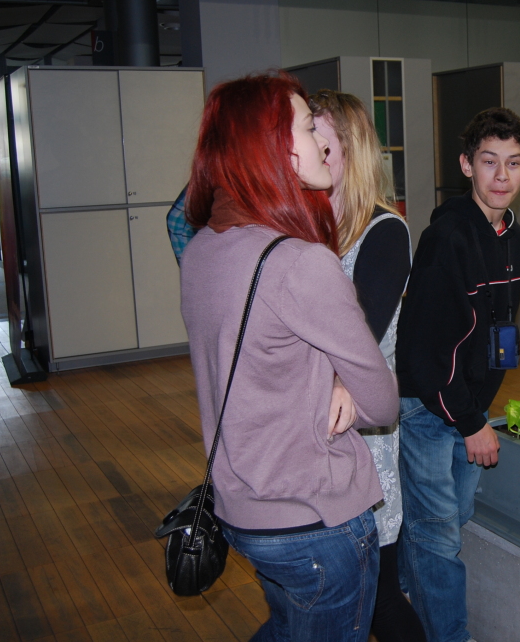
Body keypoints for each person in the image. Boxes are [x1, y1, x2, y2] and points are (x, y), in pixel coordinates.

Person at [180, 72, 400, 642]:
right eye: (308, 127)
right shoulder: (299, 262)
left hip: (242, 509)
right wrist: (342, 386)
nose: (323, 142)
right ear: (273, 147)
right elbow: (382, 403)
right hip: (315, 519)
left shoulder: (202, 249)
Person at [395, 108, 520, 642]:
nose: (501, 175)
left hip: (468, 404)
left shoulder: (511, 236)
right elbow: (423, 352)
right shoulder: (447, 237)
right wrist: (471, 421)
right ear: (466, 165)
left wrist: (482, 404)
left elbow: (501, 326)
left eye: (513, 163)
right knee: (438, 536)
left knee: (451, 518)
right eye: (489, 161)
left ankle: (402, 603)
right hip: (430, 407)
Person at [309, 89, 425, 642]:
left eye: (321, 144)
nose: (307, 155)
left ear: (350, 150)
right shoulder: (304, 226)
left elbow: (357, 342)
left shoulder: (384, 230)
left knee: (376, 595)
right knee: (321, 593)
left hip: (361, 431)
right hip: (311, 429)